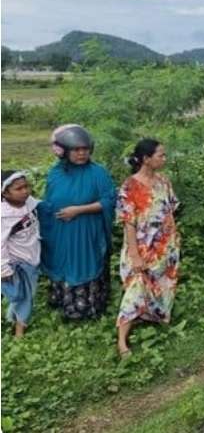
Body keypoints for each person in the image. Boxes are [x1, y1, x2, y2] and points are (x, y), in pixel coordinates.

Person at [39, 125, 116, 321]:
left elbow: (109, 201)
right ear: (64, 151)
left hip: (86, 231)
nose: (82, 153)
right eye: (76, 150)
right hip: (61, 232)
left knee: (85, 264)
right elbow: (49, 201)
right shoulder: (55, 173)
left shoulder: (98, 172)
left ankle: (86, 308)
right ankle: (63, 301)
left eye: (85, 149)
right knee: (63, 264)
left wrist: (78, 210)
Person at [116, 139, 180, 356]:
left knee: (163, 285)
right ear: (146, 159)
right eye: (160, 155)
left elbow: (171, 209)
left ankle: (157, 319)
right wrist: (134, 253)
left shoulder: (163, 181)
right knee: (135, 289)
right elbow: (129, 221)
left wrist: (172, 240)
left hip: (165, 246)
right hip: (141, 247)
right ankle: (122, 340)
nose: (164, 158)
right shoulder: (130, 186)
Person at [1, 171, 41, 337]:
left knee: (22, 294)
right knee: (25, 296)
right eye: (19, 189)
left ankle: (11, 317)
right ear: (5, 193)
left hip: (31, 257)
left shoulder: (29, 203)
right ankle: (19, 331)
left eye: (26, 186)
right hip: (16, 263)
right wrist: (4, 269)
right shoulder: (4, 216)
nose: (25, 191)